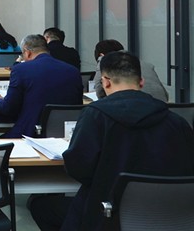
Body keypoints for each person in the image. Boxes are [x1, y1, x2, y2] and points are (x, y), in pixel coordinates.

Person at [29, 52, 194, 231]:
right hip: (169, 215)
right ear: (141, 82)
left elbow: (78, 168)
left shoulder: (95, 116)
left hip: (106, 214)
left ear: (105, 82)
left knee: (40, 206)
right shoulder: (176, 121)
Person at [0, 34, 83, 138]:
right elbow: (78, 106)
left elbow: (8, 108)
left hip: (30, 134)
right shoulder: (73, 71)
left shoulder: (20, 70)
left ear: (27, 52)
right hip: (66, 136)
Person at [91, 39, 168, 101]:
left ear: (101, 55)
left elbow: (99, 90)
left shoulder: (105, 61)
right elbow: (165, 94)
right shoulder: (146, 64)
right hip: (161, 107)